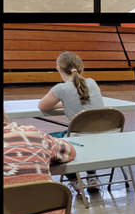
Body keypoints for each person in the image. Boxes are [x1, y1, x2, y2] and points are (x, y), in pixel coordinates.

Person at [38, 51, 104, 191]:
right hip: (102, 136)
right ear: (82, 68)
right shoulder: (92, 83)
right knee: (88, 134)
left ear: (59, 69)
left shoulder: (61, 88)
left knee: (48, 141)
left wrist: (63, 101)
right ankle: (92, 177)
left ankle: (74, 180)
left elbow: (43, 106)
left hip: (77, 139)